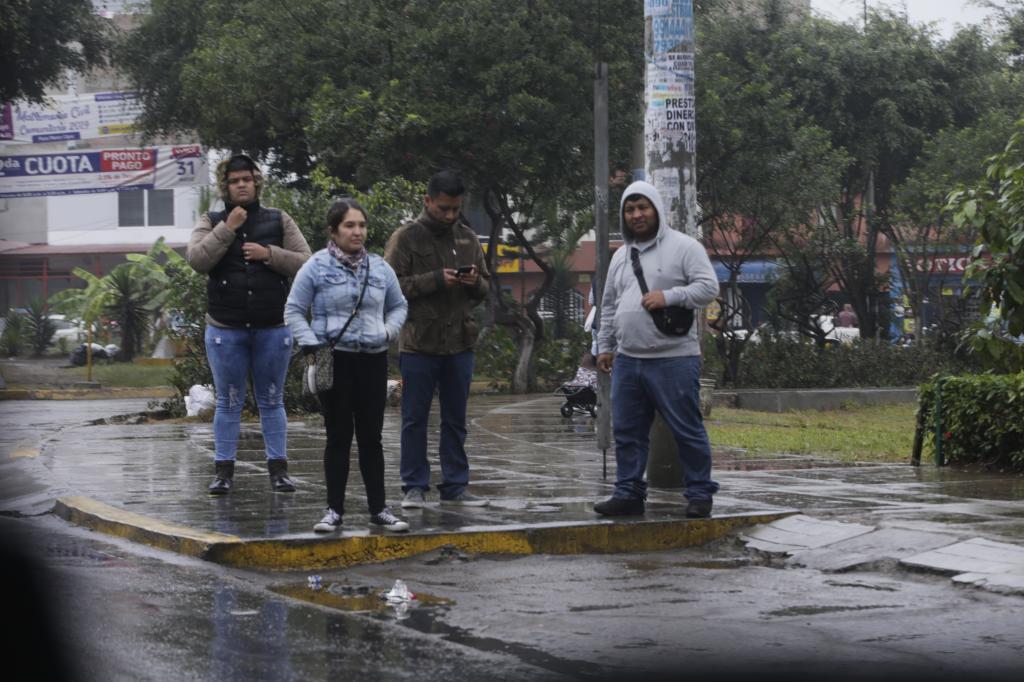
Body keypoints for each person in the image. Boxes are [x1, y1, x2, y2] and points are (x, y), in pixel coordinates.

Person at [595, 180, 720, 518]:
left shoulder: (684, 247)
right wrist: (604, 346)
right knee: (627, 432)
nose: (636, 215)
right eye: (630, 209)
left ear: (656, 210)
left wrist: (669, 296)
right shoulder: (621, 255)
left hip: (674, 359)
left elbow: (708, 287)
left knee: (686, 429)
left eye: (642, 207)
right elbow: (609, 305)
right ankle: (629, 493)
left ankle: (698, 494)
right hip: (627, 360)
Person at [187, 154, 311, 495]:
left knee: (272, 400)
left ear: (257, 182)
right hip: (225, 329)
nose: (241, 184)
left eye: (247, 179)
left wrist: (269, 254)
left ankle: (279, 471)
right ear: (225, 186)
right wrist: (227, 228)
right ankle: (223, 473)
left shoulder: (278, 219)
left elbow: (307, 262)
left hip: (273, 327)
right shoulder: (211, 220)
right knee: (228, 402)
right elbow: (197, 259)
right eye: (234, 180)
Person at [285, 198, 410, 533]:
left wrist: (387, 330)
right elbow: (293, 310)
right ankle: (333, 511)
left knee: (371, 437)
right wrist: (310, 341)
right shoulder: (316, 266)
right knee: (338, 436)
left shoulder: (380, 268)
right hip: (334, 359)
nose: (358, 232)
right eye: (349, 226)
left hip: (372, 360)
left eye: (362, 225)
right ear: (333, 231)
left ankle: (380, 509)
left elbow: (399, 305)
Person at [384, 170, 491, 508]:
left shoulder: (467, 238)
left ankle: (456, 485)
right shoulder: (405, 238)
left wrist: (473, 282)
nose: (449, 215)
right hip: (419, 343)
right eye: (443, 208)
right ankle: (414, 485)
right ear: (427, 201)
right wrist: (434, 280)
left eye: (455, 209)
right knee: (414, 419)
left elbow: (485, 289)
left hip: (460, 342)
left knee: (455, 420)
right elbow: (391, 288)